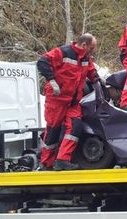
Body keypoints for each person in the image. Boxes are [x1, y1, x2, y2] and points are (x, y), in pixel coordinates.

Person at [37, 33, 100, 171]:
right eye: (92, 47)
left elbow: (91, 71)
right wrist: (52, 80)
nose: (93, 50)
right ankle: (46, 163)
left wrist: (98, 79)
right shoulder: (63, 52)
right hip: (57, 100)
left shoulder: (85, 58)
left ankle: (62, 160)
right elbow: (42, 62)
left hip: (73, 101)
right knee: (53, 130)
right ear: (84, 45)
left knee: (75, 127)